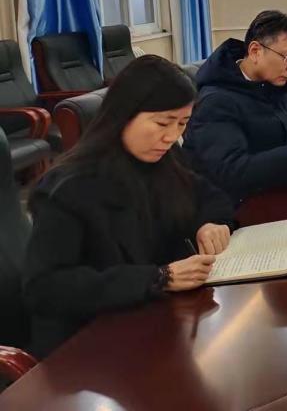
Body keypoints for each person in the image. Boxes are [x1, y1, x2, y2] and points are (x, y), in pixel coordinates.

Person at [22, 56, 236, 357]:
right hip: (89, 345)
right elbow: (45, 287)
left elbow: (209, 195)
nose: (172, 136)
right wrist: (158, 278)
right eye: (162, 123)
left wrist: (210, 223)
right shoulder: (68, 187)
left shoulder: (163, 158)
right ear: (124, 114)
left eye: (182, 123)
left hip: (156, 324)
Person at [184, 10, 287, 202]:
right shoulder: (215, 101)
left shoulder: (272, 83)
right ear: (255, 51)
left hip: (277, 192)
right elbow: (232, 171)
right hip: (236, 208)